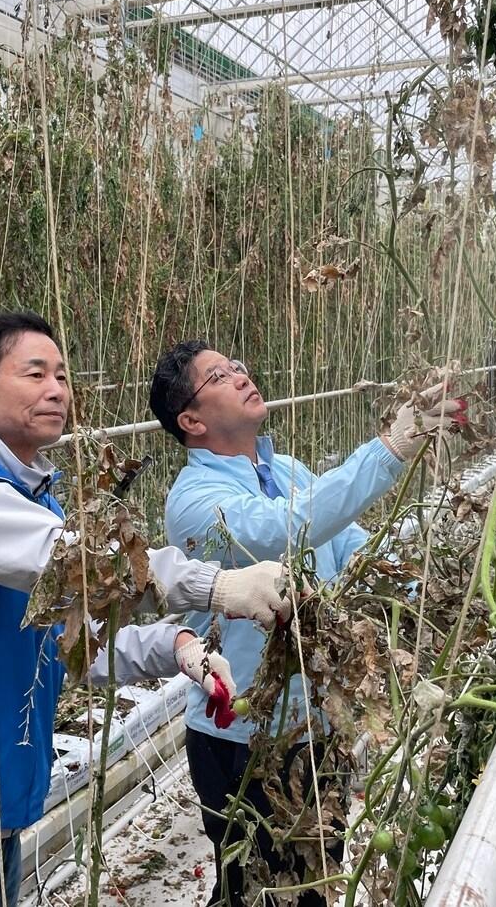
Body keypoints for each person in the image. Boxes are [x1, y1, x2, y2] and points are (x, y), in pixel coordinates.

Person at [0, 312, 292, 907]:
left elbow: (61, 648)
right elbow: (85, 564)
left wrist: (178, 647)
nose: (57, 389)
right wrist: (218, 585)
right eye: (35, 373)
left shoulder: (38, 505)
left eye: (62, 375)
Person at [148, 341, 459, 907]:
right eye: (220, 375)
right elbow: (282, 529)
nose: (242, 375)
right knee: (254, 888)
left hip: (314, 726)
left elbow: (353, 549)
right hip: (241, 736)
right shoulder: (192, 502)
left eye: (240, 364)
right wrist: (387, 450)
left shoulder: (287, 470)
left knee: (318, 874)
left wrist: (438, 585)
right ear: (190, 420)